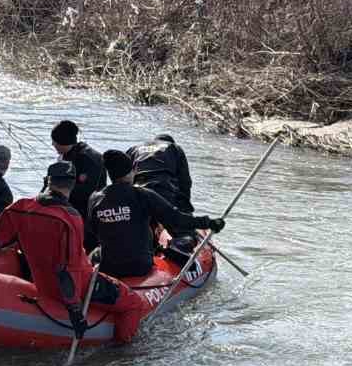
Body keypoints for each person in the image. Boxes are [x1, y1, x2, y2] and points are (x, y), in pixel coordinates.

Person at [0, 161, 151, 343]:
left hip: (41, 282)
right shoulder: (70, 218)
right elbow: (67, 268)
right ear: (73, 185)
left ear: (48, 180)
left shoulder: (20, 207)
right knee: (133, 303)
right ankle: (124, 354)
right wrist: (75, 312)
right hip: (76, 287)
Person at [87, 150, 223, 279]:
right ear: (133, 170)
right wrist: (209, 223)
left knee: (96, 251)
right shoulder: (143, 195)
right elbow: (177, 219)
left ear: (110, 174)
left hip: (107, 266)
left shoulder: (95, 198)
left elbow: (92, 230)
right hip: (140, 266)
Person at [127, 133, 194, 212]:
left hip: (138, 192)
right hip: (164, 193)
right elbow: (185, 181)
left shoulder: (134, 149)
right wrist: (185, 209)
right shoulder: (175, 147)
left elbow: (122, 174)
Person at [50, 120, 104, 216]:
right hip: (71, 206)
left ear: (63, 142)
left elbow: (88, 193)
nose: (52, 144)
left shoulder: (89, 159)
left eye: (54, 141)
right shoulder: (66, 155)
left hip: (88, 211)